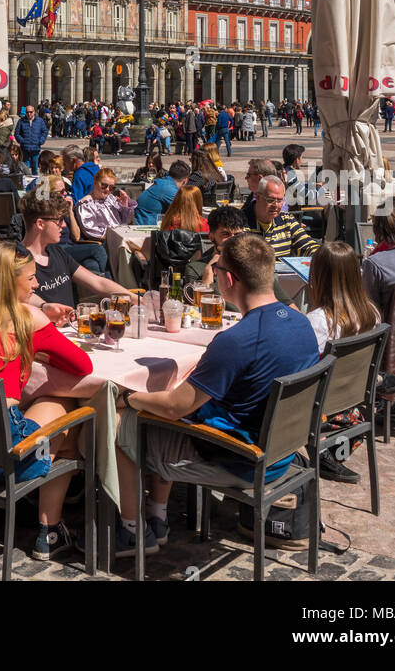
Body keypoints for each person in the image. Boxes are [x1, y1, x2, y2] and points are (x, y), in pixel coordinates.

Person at [113, 233, 319, 556]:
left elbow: (173, 408)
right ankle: (158, 517)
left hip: (241, 460)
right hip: (283, 453)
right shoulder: (301, 324)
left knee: (123, 423)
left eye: (218, 268)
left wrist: (128, 398)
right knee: (169, 405)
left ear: (229, 279)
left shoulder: (237, 340)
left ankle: (129, 532)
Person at [0, 240, 93, 560]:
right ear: (11, 281)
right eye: (31, 278)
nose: (37, 285)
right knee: (66, 413)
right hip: (4, 458)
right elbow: (83, 366)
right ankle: (49, 531)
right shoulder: (27, 318)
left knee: (34, 408)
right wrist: (41, 349)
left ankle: (32, 523)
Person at [306, 241, 382, 483]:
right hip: (355, 399)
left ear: (316, 276)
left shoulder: (318, 322)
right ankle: (329, 456)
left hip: (321, 407)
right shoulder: (371, 313)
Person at [21, 187, 121, 313]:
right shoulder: (18, 260)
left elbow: (98, 283)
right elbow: (19, 296)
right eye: (59, 220)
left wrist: (135, 298)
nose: (63, 225)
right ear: (40, 224)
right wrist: (45, 307)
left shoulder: (56, 252)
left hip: (70, 329)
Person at [242, 175, 318, 260]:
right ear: (258, 196)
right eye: (270, 200)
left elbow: (308, 246)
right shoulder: (240, 222)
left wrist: (321, 256)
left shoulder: (287, 220)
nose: (276, 205)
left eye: (280, 200)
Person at [74, 168, 136, 242]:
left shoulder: (110, 199)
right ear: (95, 182)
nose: (107, 189)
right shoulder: (85, 205)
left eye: (111, 187)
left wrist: (125, 205)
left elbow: (127, 221)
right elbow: (92, 232)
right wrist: (118, 233)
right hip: (108, 242)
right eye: (104, 185)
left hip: (123, 236)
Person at [134, 159, 191, 227]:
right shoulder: (170, 189)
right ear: (185, 181)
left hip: (139, 222)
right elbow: (186, 212)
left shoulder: (163, 182)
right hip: (146, 228)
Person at [14, 105, 49, 175]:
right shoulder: (21, 121)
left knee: (35, 168)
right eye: (27, 112)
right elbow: (17, 133)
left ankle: (34, 183)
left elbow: (45, 131)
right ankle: (26, 184)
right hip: (25, 148)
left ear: (34, 112)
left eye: (31, 112)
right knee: (25, 169)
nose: (29, 114)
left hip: (35, 148)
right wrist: (22, 141)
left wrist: (41, 141)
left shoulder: (40, 121)